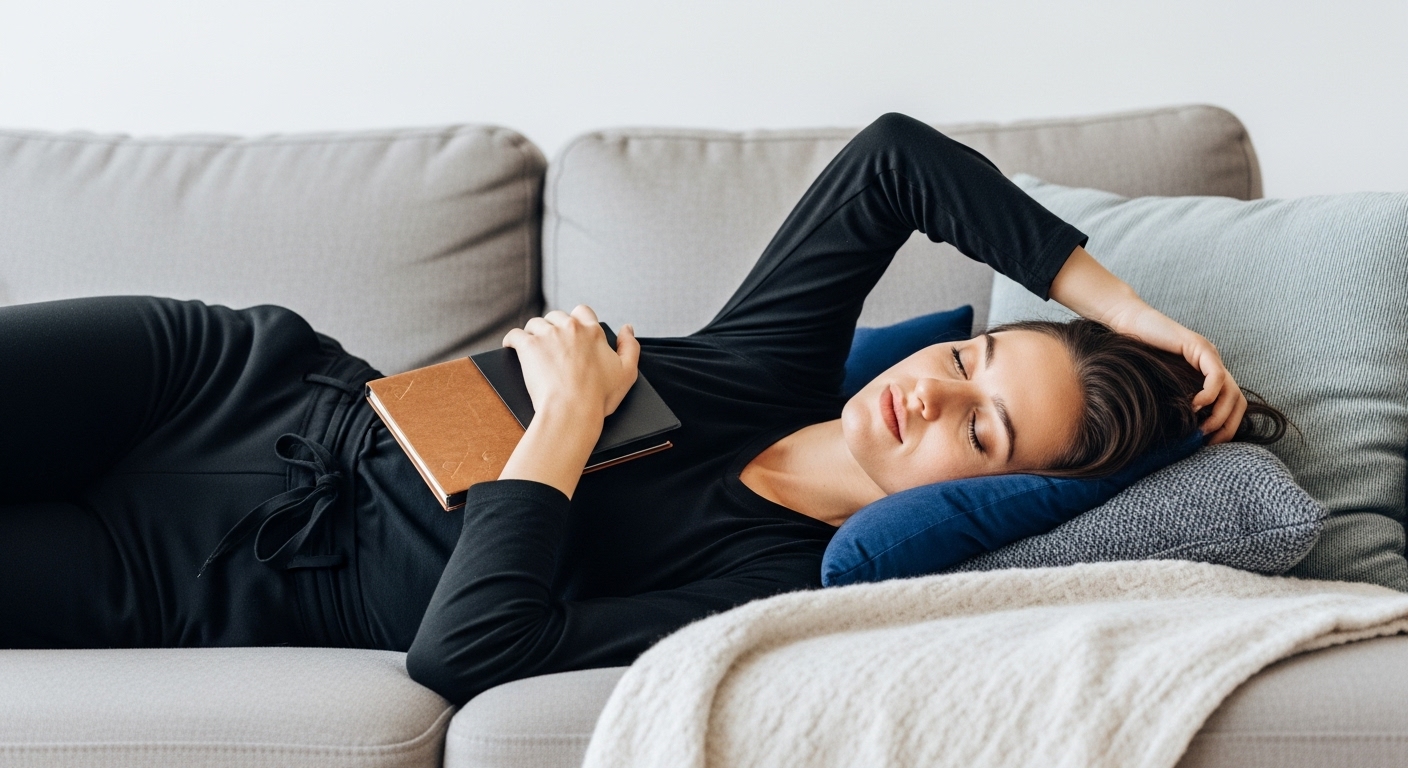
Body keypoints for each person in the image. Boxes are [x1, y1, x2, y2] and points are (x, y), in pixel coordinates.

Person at [0, 113, 1281, 705]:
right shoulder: (771, 368)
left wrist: (560, 424)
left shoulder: (767, 582)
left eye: (981, 431)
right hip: (219, 381)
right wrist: (1133, 315)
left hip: (189, 581)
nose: (927, 390)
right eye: (973, 360)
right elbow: (895, 159)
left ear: (996, 498)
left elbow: (470, 655)